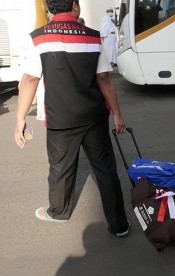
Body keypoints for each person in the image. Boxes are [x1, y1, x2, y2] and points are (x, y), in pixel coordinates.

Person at [13, 0, 130, 237]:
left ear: (48, 8)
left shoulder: (38, 38)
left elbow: (30, 79)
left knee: (60, 169)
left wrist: (20, 117)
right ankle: (119, 225)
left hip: (60, 120)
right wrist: (117, 113)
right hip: (94, 117)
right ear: (75, 6)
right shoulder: (92, 37)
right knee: (105, 170)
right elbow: (104, 78)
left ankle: (59, 212)